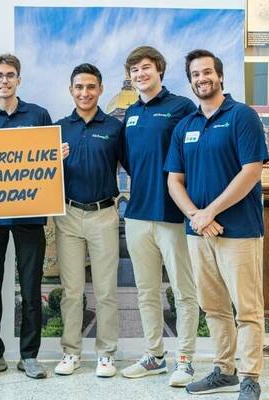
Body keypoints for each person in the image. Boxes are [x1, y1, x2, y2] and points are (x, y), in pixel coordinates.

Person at [166, 49, 267, 400]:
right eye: (195, 74)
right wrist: (197, 215)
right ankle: (225, 371)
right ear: (191, 80)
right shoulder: (185, 126)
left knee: (248, 309)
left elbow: (251, 171)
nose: (201, 78)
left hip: (239, 231)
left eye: (207, 72)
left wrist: (211, 211)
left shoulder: (242, 117)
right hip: (198, 234)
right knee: (215, 308)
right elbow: (174, 181)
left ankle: (251, 376)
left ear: (220, 76)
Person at [0, 52, 62, 380]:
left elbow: (47, 165)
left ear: (18, 79)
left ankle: (29, 356)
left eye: (10, 75)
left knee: (32, 286)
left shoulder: (38, 115)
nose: (4, 80)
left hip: (29, 216)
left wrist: (56, 154)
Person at [120, 46, 200, 387]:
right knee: (146, 291)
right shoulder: (130, 113)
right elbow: (128, 159)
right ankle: (154, 355)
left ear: (160, 71)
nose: (140, 74)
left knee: (183, 291)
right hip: (137, 213)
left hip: (173, 214)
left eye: (146, 67)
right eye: (134, 69)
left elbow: (193, 154)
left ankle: (186, 360)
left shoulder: (181, 107)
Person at [53, 63, 121, 378]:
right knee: (71, 290)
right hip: (67, 215)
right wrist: (53, 159)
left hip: (104, 214)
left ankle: (106, 354)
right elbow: (39, 174)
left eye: (91, 87)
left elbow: (134, 165)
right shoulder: (58, 128)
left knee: (106, 290)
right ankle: (71, 352)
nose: (85, 92)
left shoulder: (114, 127)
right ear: (71, 90)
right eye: (79, 87)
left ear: (100, 90)